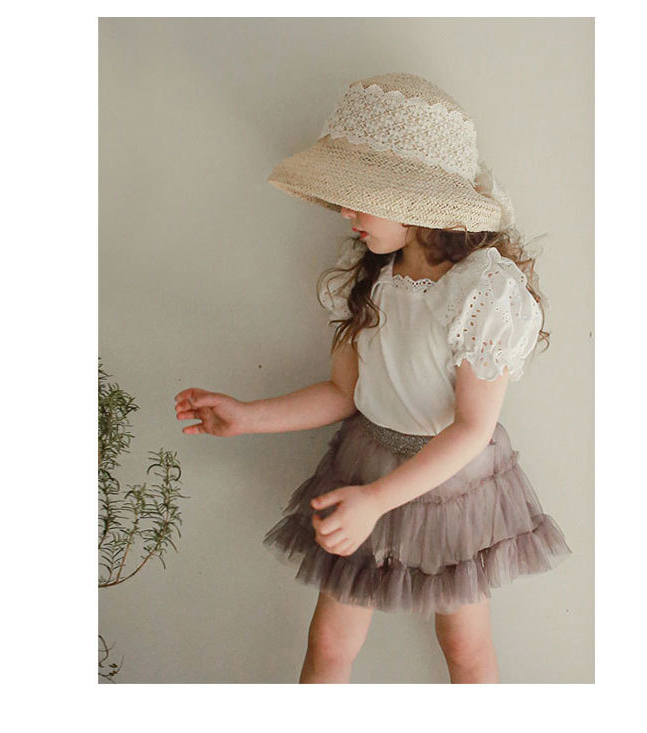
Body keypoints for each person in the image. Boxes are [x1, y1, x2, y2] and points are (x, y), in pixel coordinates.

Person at [174, 72, 571, 684]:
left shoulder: (482, 292)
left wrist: (378, 502)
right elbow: (344, 393)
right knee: (329, 642)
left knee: (464, 645)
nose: (344, 211)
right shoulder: (364, 278)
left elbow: (471, 429)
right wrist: (249, 417)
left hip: (451, 487)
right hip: (365, 464)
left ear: (417, 201)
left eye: (360, 195)